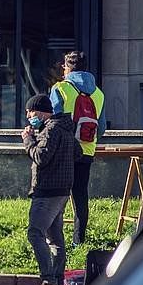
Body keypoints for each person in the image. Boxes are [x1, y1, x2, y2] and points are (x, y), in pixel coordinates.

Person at [22, 94, 77, 285]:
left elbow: (40, 157)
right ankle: (58, 280)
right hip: (62, 189)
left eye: (30, 111)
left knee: (35, 232)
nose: (29, 115)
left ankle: (48, 279)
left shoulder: (51, 129)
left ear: (41, 111)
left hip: (47, 190)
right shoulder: (65, 128)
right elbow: (77, 152)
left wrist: (28, 140)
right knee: (55, 237)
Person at [49, 51, 106, 247]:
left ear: (66, 67)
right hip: (87, 150)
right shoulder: (98, 93)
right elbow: (103, 126)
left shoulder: (61, 88)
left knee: (58, 194)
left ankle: (56, 240)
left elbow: (54, 121)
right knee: (80, 194)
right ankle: (79, 241)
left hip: (64, 150)